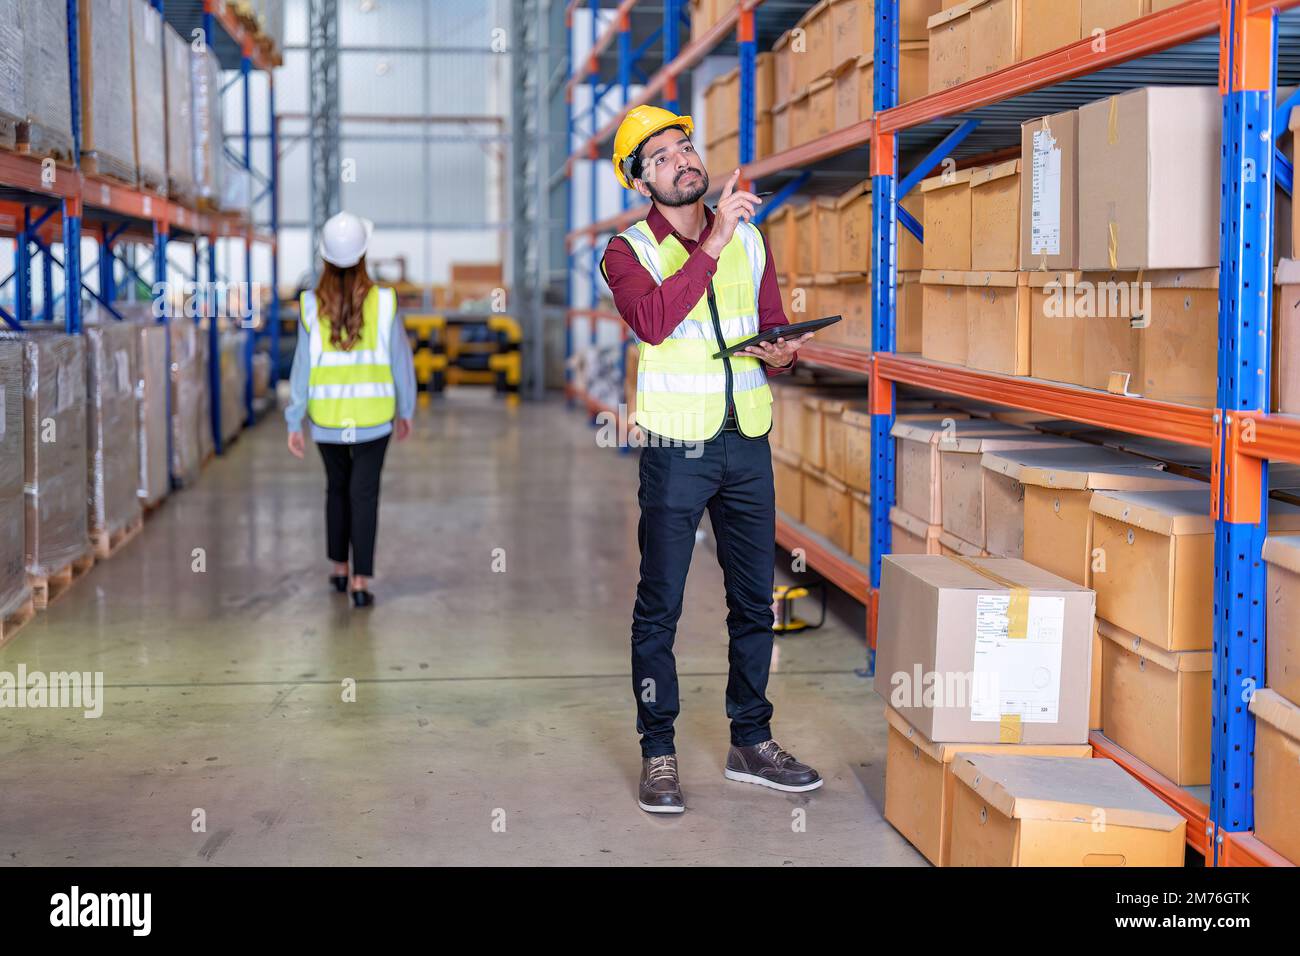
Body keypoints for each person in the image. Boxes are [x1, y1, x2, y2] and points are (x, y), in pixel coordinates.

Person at [601, 105, 820, 814]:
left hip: (746, 439)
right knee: (659, 608)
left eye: (685, 146)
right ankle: (658, 751)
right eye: (660, 157)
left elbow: (770, 329)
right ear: (640, 182)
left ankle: (751, 740)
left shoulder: (752, 242)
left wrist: (783, 355)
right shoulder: (627, 250)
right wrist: (715, 239)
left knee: (753, 601)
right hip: (677, 447)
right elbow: (656, 323)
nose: (681, 160)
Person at [285, 212, 416, 608]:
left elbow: (301, 369)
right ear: (362, 257)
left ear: (325, 259)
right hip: (374, 419)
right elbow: (400, 361)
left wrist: (295, 418)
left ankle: (339, 569)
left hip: (326, 420)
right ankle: (361, 581)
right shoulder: (385, 302)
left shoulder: (310, 306)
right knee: (364, 494)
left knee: (336, 490)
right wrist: (405, 409)